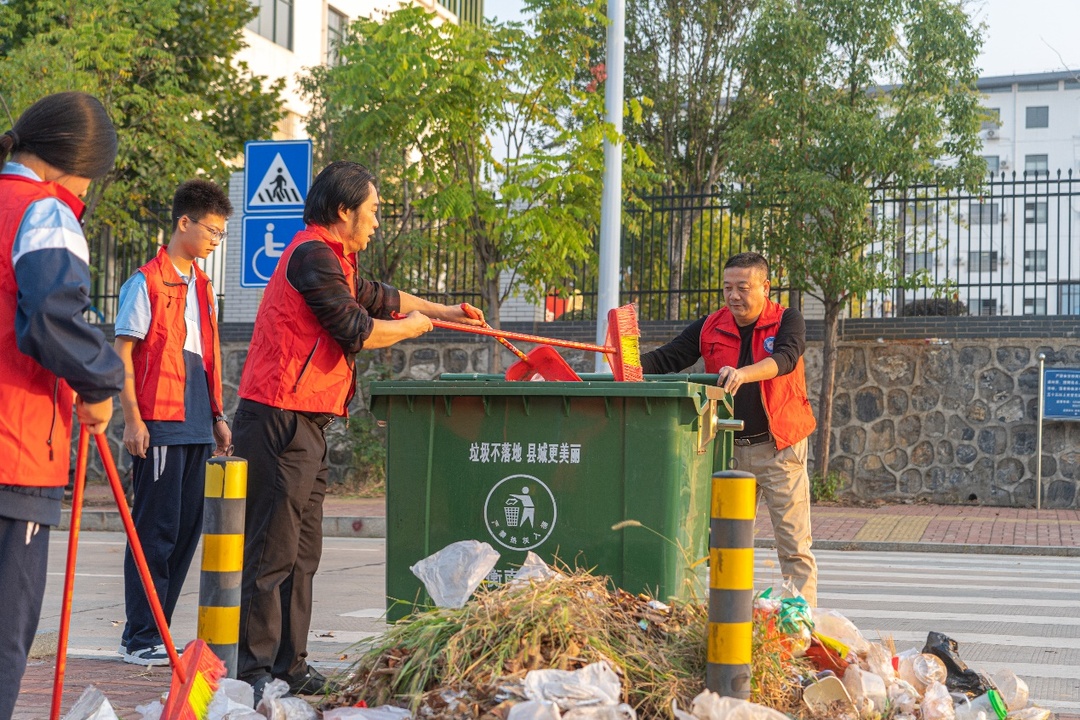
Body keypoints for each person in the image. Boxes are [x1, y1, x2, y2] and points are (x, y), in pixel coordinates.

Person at [232, 161, 485, 699]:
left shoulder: (334, 259)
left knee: (303, 553)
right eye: (371, 211)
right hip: (278, 416)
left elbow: (381, 297)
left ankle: (290, 667)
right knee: (271, 552)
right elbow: (356, 327)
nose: (376, 222)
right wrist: (412, 331)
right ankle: (254, 672)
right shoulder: (311, 254)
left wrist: (444, 311)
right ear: (343, 210)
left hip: (309, 421)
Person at [0, 92, 125, 719]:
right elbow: (55, 316)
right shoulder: (42, 211)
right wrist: (102, 383)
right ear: (74, 165)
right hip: (13, 456)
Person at [641, 252, 819, 605]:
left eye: (743, 287)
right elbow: (666, 359)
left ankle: (801, 627)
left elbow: (785, 358)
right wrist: (623, 361)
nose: (734, 296)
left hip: (779, 447)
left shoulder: (788, 320)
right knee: (725, 542)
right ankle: (729, 616)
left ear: (765, 287)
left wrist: (743, 373)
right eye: (727, 288)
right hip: (727, 450)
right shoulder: (710, 325)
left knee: (794, 546)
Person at [113, 180, 233, 665]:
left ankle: (156, 632)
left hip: (199, 420)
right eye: (211, 230)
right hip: (159, 421)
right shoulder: (146, 282)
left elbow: (205, 358)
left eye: (221, 234)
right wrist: (133, 420)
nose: (214, 241)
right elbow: (122, 353)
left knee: (184, 532)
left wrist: (218, 416)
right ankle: (139, 636)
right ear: (184, 222)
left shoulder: (203, 287)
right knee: (155, 531)